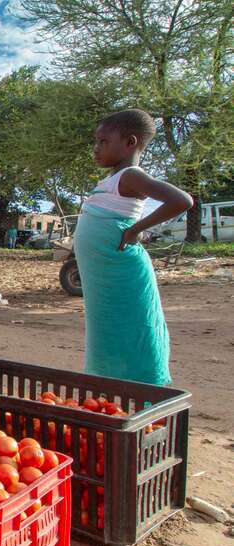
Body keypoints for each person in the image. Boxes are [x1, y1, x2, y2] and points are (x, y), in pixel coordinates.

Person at [74, 109, 192, 385]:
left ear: (130, 143)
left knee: (133, 328)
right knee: (109, 328)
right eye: (96, 142)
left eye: (103, 142)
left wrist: (136, 230)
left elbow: (182, 200)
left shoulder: (130, 176)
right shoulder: (113, 179)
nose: (96, 148)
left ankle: (144, 390)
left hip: (123, 271)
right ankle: (113, 390)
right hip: (107, 277)